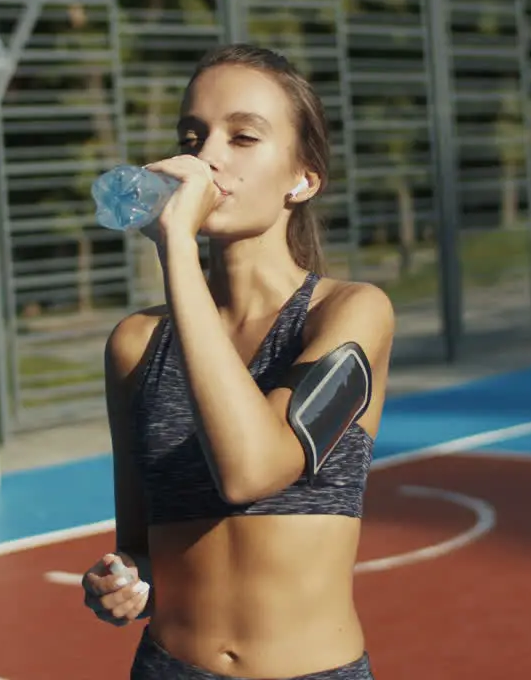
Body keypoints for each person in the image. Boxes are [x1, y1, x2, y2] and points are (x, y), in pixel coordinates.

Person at [81, 43, 395, 680]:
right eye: (192, 136)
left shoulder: (350, 314)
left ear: (303, 179)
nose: (206, 158)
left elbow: (251, 471)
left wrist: (174, 250)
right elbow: (141, 539)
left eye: (242, 136)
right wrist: (126, 580)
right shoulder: (136, 345)